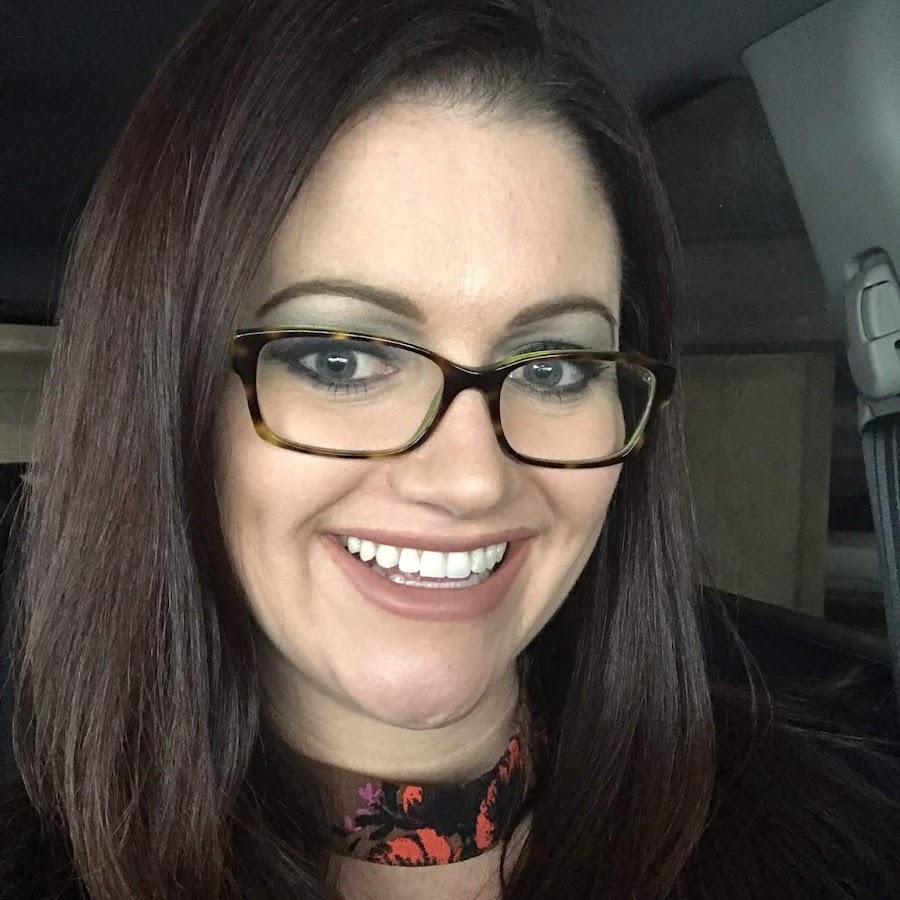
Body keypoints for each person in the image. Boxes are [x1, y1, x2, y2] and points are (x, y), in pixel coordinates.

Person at [1, 1, 898, 898]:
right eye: (341, 359)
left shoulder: (843, 842)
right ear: (170, 398)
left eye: (554, 368)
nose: (470, 480)